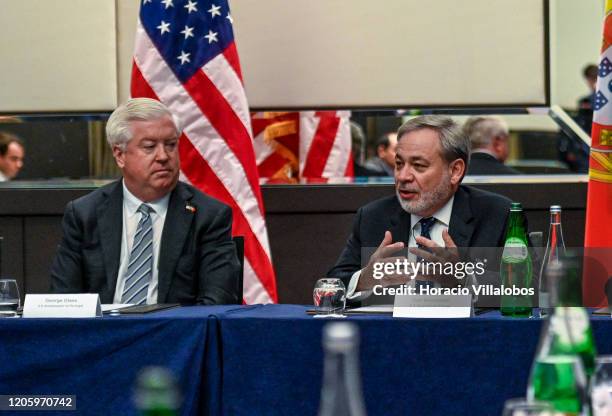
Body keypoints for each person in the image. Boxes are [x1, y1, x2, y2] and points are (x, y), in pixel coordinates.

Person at [50, 98, 240, 305]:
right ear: (120, 154)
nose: (163, 156)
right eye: (149, 147)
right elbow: (64, 299)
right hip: (104, 333)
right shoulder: (84, 214)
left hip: (174, 332)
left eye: (171, 145)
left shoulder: (209, 216)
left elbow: (217, 302)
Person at [328, 115, 513, 298]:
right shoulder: (373, 216)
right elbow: (331, 286)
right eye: (399, 164)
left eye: (418, 165)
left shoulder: (497, 214)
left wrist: (464, 281)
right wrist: (365, 279)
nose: (402, 176)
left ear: (455, 171)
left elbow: (526, 288)